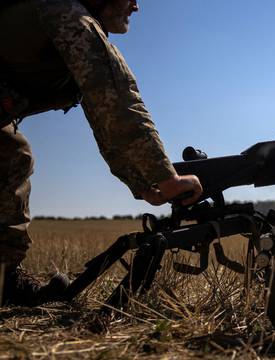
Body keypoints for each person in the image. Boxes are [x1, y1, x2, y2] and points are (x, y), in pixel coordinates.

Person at [0, 0, 202, 306]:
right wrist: (163, 177)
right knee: (13, 154)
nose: (136, 6)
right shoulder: (67, 15)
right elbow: (117, 101)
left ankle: (2, 279)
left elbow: (104, 112)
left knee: (11, 152)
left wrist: (142, 181)